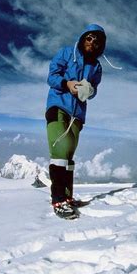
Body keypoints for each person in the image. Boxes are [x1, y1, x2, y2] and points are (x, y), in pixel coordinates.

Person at [46, 23, 106, 219]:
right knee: (60, 151)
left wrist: (89, 91)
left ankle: (68, 197)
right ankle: (58, 200)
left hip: (78, 115)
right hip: (58, 107)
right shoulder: (65, 53)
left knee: (69, 156)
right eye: (89, 38)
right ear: (83, 38)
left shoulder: (96, 66)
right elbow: (52, 76)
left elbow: (94, 90)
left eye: (97, 41)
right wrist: (67, 84)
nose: (92, 42)